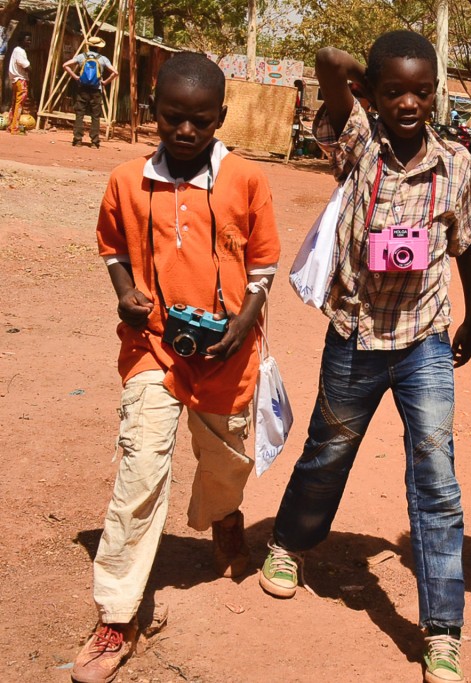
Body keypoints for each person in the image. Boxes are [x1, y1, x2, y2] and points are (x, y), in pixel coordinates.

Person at [257, 32, 471, 683]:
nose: (409, 102)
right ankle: (290, 543)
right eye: (393, 91)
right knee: (329, 449)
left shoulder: (457, 165)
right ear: (374, 96)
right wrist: (353, 76)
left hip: (423, 341)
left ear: (435, 91)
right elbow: (325, 64)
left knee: (436, 474)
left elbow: (466, 239)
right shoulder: (358, 143)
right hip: (355, 337)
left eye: (420, 90)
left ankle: (442, 627)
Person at [71, 52, 281, 683]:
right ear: (152, 113)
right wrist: (124, 292)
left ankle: (223, 515)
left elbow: (265, 266)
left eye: (199, 120)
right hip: (153, 348)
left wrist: (243, 322)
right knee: (139, 471)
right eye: (171, 119)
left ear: (220, 116)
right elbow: (112, 248)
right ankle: (117, 613)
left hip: (227, 353)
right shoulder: (125, 181)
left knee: (225, 462)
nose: (185, 132)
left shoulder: (247, 181)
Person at [63, 36, 118, 148]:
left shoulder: (81, 57)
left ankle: (77, 140)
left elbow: (65, 65)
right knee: (95, 116)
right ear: (99, 47)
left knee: (79, 115)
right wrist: (105, 82)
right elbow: (115, 73)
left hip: (82, 89)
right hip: (96, 90)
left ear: (88, 45)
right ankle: (94, 141)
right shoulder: (103, 59)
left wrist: (76, 77)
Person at [6, 32, 29, 134]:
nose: (29, 42)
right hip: (20, 80)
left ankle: (11, 125)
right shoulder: (20, 51)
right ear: (21, 40)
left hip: (15, 80)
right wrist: (30, 71)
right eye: (27, 40)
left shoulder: (16, 50)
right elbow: (25, 65)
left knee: (15, 103)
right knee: (19, 104)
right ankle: (14, 128)